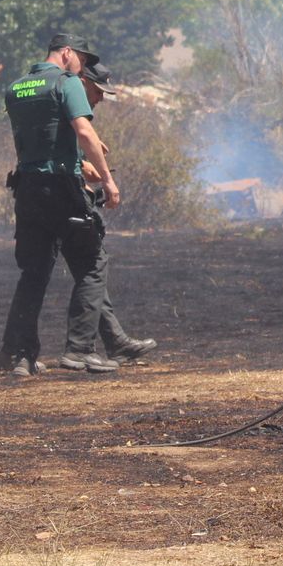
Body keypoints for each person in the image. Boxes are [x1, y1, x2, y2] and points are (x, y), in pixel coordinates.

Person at [0, 32, 118, 376]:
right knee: (92, 262)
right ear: (67, 53)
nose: (83, 66)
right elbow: (82, 131)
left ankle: (19, 355)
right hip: (61, 188)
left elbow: (44, 136)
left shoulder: (16, 87)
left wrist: (80, 160)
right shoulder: (67, 83)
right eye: (81, 58)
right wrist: (108, 181)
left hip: (27, 188)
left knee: (33, 273)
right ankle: (80, 350)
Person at [74, 61, 157, 365]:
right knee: (90, 267)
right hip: (61, 198)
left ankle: (114, 340)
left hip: (58, 195)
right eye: (97, 90)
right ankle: (78, 349)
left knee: (89, 269)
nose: (100, 98)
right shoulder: (67, 97)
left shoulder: (72, 106)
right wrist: (87, 168)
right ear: (83, 81)